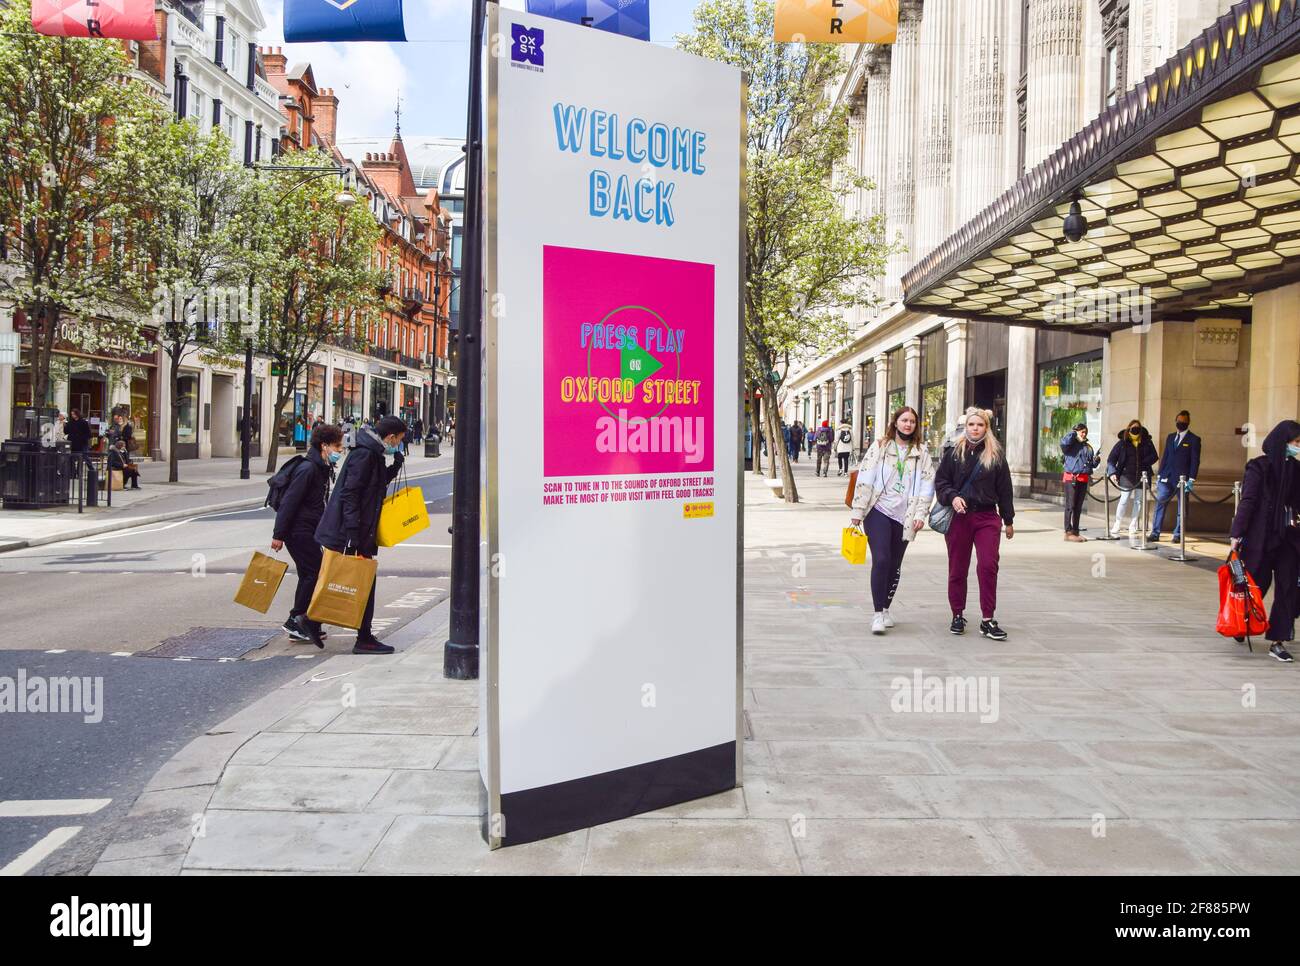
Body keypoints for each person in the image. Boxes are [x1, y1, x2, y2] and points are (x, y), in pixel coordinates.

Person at [310, 415, 407, 654]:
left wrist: (394, 466)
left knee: (347, 579)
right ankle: (363, 638)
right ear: (390, 437)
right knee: (361, 581)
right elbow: (350, 494)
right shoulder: (365, 454)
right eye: (399, 441)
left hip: (357, 530)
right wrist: (353, 534)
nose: (398, 445)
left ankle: (310, 620)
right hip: (351, 530)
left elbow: (373, 485)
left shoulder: (371, 453)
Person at [850, 406, 935, 635]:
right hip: (878, 510)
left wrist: (920, 514)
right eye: (904, 420)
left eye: (912, 422)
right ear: (895, 422)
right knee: (882, 559)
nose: (908, 425)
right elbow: (866, 477)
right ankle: (877, 614)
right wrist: (858, 510)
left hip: (905, 515)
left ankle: (886, 608)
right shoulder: (880, 447)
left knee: (895, 564)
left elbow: (928, 484)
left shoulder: (921, 452)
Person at [934, 407, 1015, 640]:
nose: (975, 428)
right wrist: (952, 497)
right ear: (966, 427)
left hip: (987, 517)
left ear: (986, 428)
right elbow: (941, 482)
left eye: (980, 425)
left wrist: (1008, 520)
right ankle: (957, 613)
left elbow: (1005, 490)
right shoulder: (953, 453)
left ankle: (988, 619)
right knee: (957, 568)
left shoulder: (996, 455)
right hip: (959, 518)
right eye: (972, 425)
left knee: (988, 566)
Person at [1229, 420, 1300, 663]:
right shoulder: (1259, 468)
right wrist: (1236, 535)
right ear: (1283, 442)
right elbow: (1248, 501)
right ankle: (1242, 622)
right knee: (1256, 584)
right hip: (1261, 538)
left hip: (1288, 540)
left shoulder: (1297, 470)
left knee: (1287, 587)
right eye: (1296, 443)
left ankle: (1277, 640)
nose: (1298, 447)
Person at [277, 424, 345, 647]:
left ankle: (306, 622)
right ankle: (297, 620)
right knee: (313, 573)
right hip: (298, 531)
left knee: (310, 573)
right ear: (324, 446)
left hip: (308, 529)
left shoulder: (321, 467)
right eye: (337, 445)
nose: (340, 450)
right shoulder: (308, 469)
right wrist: (278, 534)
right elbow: (289, 502)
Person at [1149, 409, 1201, 543]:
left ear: (1188, 423)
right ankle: (1155, 532)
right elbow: (1165, 456)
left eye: (1183, 422)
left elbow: (1195, 460)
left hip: (1182, 479)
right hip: (1166, 477)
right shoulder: (1171, 437)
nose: (1181, 423)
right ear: (1175, 421)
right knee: (1160, 503)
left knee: (1182, 508)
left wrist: (1191, 479)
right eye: (1179, 421)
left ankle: (1178, 534)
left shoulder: (1194, 439)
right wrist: (1160, 474)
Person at [1105, 419, 1158, 542]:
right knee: (1124, 500)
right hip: (1126, 476)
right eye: (1132, 428)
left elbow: (1154, 456)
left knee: (1138, 501)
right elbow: (1111, 459)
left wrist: (1144, 462)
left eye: (1137, 428)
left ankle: (1133, 524)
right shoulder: (1122, 443)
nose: (1135, 430)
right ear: (1128, 429)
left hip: (1142, 476)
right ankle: (1117, 523)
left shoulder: (1146, 442)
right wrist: (1112, 472)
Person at [1059, 422, 1100, 542]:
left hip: (1083, 478)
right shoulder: (1070, 444)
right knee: (1070, 506)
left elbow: (1090, 464)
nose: (1084, 434)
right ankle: (1068, 532)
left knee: (1078, 507)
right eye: (1082, 431)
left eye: (1085, 432)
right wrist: (1074, 432)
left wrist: (1096, 461)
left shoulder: (1088, 447)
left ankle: (1075, 531)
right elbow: (1064, 442)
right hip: (1071, 478)